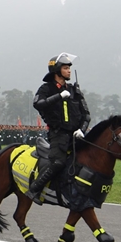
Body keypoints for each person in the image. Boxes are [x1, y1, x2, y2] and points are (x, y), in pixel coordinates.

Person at [26, 53, 90, 204]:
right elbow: (38, 104)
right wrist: (59, 96)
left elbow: (86, 114)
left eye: (69, 68)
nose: (69, 71)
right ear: (57, 70)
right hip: (58, 134)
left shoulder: (75, 90)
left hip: (75, 135)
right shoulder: (46, 88)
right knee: (58, 163)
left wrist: (82, 129)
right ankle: (34, 189)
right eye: (66, 68)